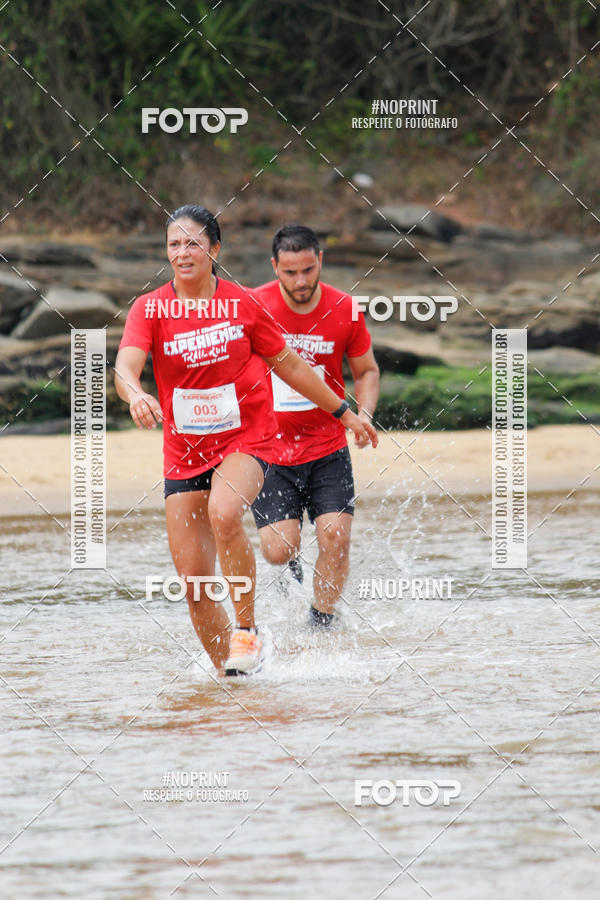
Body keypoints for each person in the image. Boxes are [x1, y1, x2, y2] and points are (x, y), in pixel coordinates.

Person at [114, 206, 377, 676]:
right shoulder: (150, 308)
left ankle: (247, 631)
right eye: (174, 244)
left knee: (225, 511)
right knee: (194, 583)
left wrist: (345, 413)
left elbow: (292, 366)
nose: (182, 253)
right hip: (184, 451)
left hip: (246, 439)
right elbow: (126, 368)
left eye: (193, 243)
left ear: (214, 249)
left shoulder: (242, 304)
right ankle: (233, 680)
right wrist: (136, 394)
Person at [252, 224, 380, 627]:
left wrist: (365, 416)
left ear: (320, 260)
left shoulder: (344, 309)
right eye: (290, 272)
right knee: (277, 549)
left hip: (327, 447)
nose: (301, 281)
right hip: (269, 450)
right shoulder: (254, 305)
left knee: (335, 538)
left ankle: (321, 620)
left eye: (308, 269)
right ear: (275, 266)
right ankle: (290, 565)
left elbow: (367, 370)